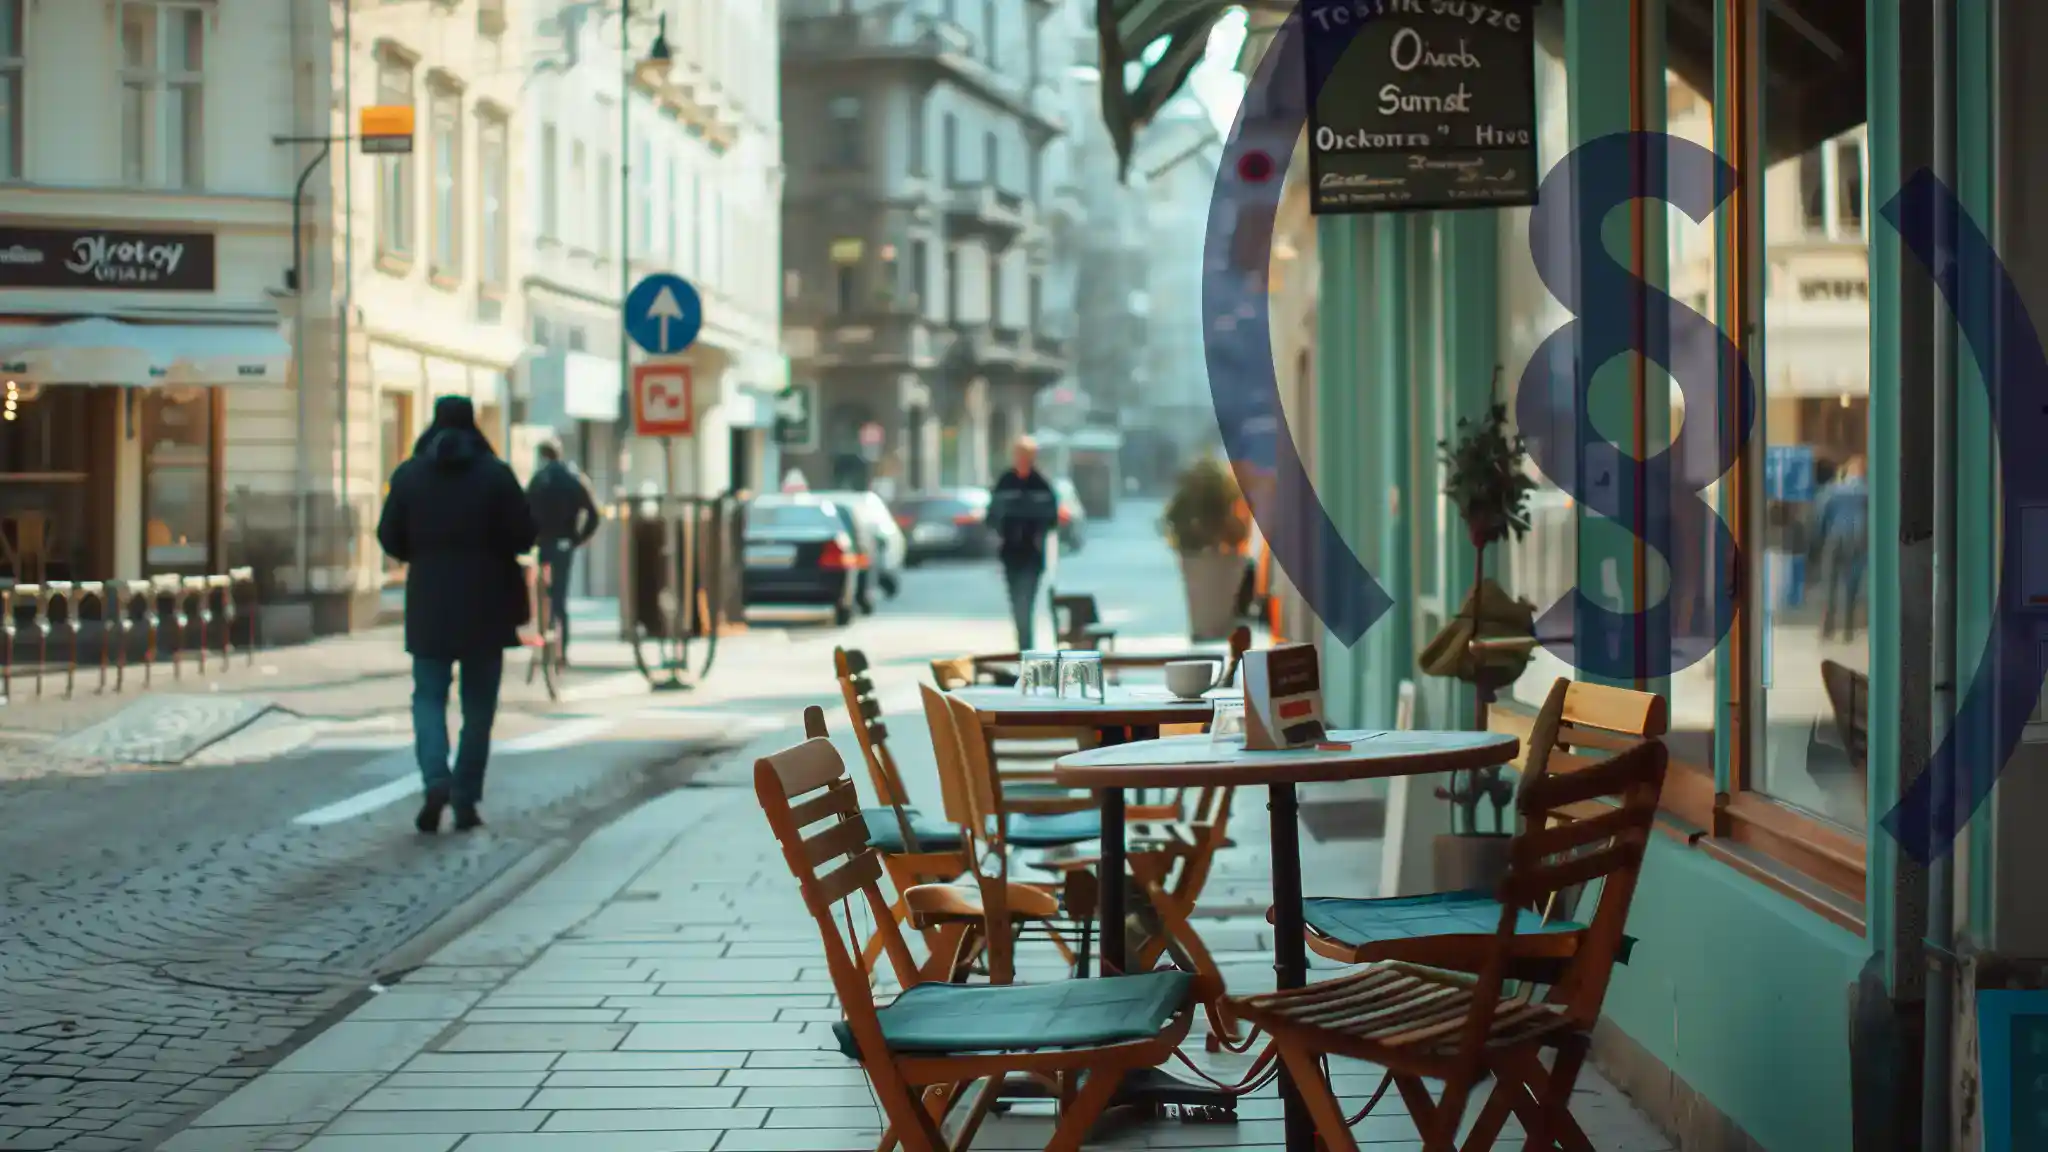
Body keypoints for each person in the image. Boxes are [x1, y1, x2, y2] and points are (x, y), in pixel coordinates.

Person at [376, 396, 538, 833]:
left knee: (427, 697)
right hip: (487, 605)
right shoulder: (496, 475)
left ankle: (435, 778)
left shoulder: (410, 475)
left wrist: (423, 553)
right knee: (478, 707)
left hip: (429, 603)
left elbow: (388, 536)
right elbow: (525, 534)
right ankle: (465, 797)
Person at [525, 440, 602, 665]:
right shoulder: (574, 479)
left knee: (544, 596)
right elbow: (594, 514)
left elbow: (523, 510)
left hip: (544, 544)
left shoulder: (539, 480)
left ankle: (545, 642)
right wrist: (578, 538)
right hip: (564, 544)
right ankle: (562, 651)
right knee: (560, 597)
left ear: (542, 456)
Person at [988, 435, 1060, 649]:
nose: (1022, 459)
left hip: (1033, 554)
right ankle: (1024, 645)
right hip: (1010, 554)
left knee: (1025, 601)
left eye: (1026, 455)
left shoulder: (1041, 484)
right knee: (1016, 602)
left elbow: (1052, 518)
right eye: (1019, 455)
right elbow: (991, 515)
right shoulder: (1005, 482)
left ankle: (1026, 646)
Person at [1813, 454, 1869, 643]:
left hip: (1834, 536)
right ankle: (1848, 629)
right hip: (1858, 540)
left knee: (1830, 582)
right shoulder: (1868, 492)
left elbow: (1821, 515)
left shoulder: (1833, 490)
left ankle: (1827, 627)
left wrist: (1818, 539)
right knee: (1851, 585)